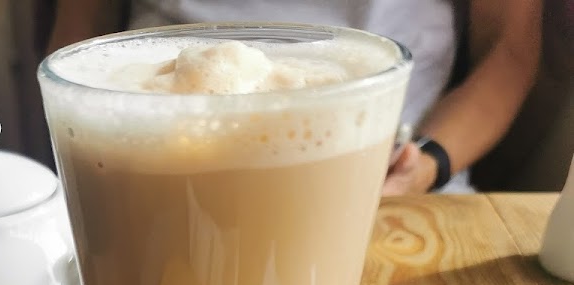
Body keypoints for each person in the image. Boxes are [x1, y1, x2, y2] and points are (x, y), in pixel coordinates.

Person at [45, 0, 543, 194]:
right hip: (140, 156)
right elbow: (78, 38)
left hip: (386, 184)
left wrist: (427, 163)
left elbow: (510, 51)